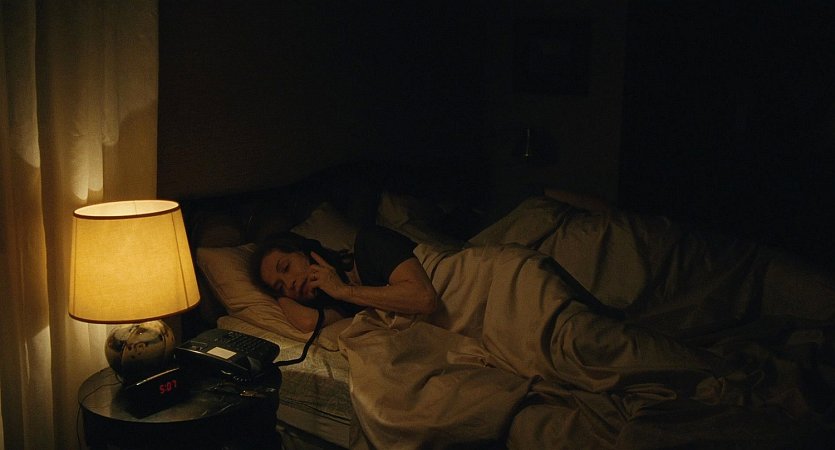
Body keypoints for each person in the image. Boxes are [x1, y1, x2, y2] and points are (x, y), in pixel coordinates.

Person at [252, 226, 438, 332]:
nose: (289, 283)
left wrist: (345, 291)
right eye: (280, 286)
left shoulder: (369, 242)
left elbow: (424, 298)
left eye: (286, 267)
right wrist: (278, 295)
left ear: (304, 251)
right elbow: (308, 322)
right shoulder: (343, 303)